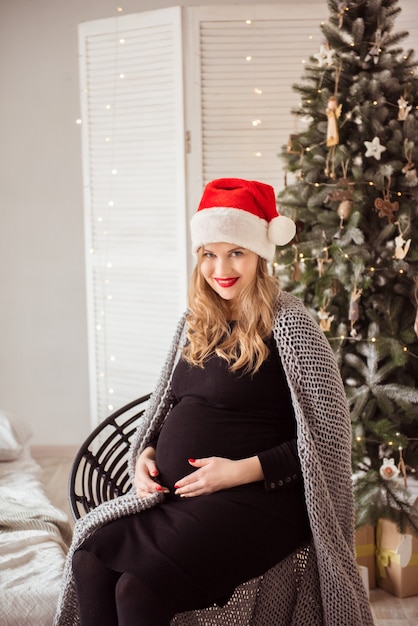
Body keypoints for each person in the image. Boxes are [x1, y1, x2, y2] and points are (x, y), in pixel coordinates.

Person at [54, 178, 374, 626]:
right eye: (209, 253)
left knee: (137, 590)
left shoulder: (291, 326)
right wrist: (146, 453)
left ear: (260, 255)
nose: (220, 267)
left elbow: (327, 445)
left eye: (236, 252)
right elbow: (168, 408)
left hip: (257, 499)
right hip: (180, 499)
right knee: (90, 561)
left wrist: (237, 471)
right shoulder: (196, 322)